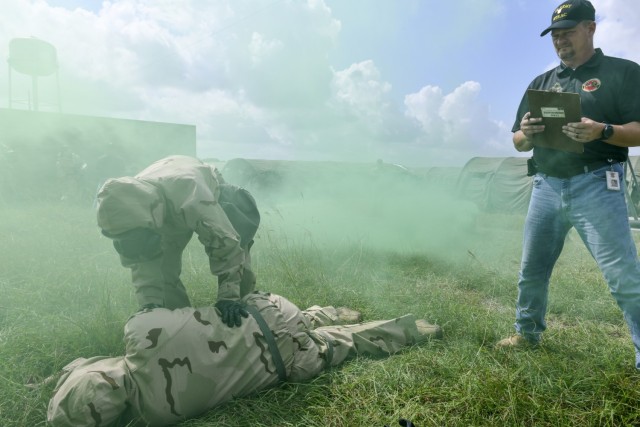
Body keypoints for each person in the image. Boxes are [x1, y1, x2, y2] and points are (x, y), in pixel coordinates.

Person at [46, 291, 442, 426]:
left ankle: (414, 329)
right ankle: (320, 311)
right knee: (280, 322)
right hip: (271, 312)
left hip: (291, 363)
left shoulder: (155, 416)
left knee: (348, 343)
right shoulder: (139, 328)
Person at [496, 0, 640, 369]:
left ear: (591, 28)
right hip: (546, 186)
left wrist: (602, 130)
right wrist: (526, 135)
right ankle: (526, 334)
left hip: (597, 184)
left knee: (623, 276)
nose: (561, 41)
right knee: (532, 271)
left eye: (568, 33)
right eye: (555, 36)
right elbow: (516, 140)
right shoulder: (541, 83)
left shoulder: (623, 72)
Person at [96, 155, 260, 327]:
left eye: (132, 238)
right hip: (162, 204)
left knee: (239, 258)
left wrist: (228, 298)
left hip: (203, 186)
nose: (126, 245)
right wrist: (151, 305)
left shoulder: (192, 196)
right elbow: (142, 261)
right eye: (120, 240)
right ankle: (179, 327)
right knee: (164, 270)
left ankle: (243, 322)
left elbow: (226, 244)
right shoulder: (128, 203)